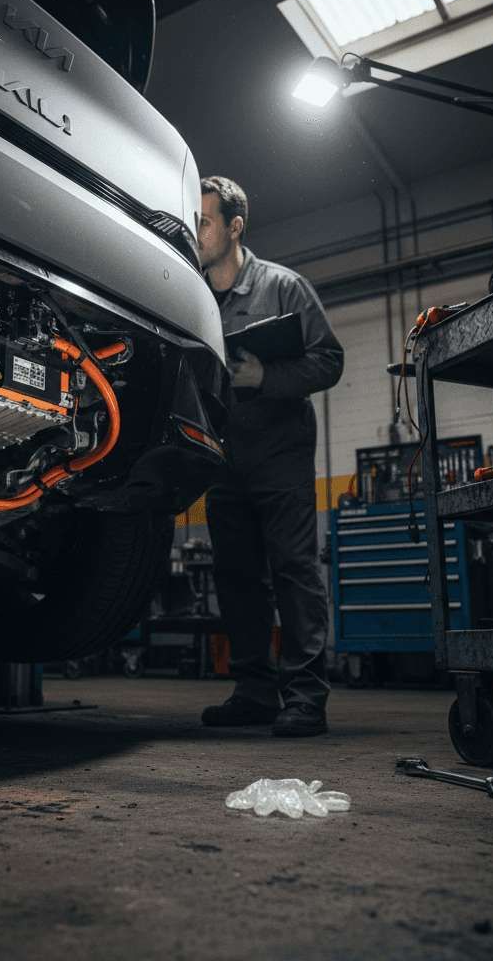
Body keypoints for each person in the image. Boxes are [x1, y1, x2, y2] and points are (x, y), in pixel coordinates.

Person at [197, 176, 344, 737]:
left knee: (293, 571)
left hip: (279, 448)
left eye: (205, 222)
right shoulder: (195, 296)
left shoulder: (284, 288)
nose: (197, 232)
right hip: (223, 452)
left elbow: (329, 361)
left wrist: (267, 375)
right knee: (236, 574)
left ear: (235, 227)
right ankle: (255, 689)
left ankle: (305, 696)